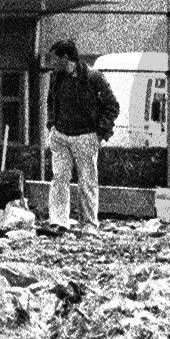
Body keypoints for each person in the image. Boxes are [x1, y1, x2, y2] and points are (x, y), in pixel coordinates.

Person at [41, 39, 119, 231]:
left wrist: (99, 133)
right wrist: (52, 125)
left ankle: (90, 224)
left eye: (54, 58)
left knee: (87, 181)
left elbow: (112, 106)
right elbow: (51, 102)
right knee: (59, 179)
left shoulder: (93, 78)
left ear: (65, 58)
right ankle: (58, 222)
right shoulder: (56, 78)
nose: (51, 62)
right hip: (61, 134)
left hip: (85, 136)